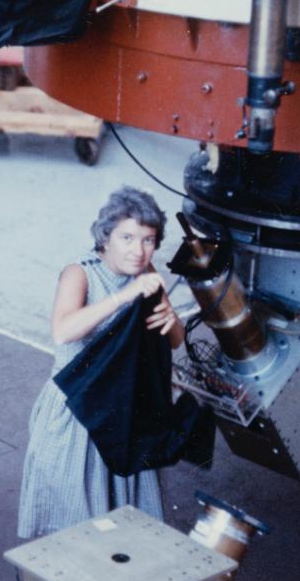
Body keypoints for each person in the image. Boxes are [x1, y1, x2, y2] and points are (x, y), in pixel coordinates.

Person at [17, 186, 184, 538]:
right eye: (127, 237)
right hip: (77, 417)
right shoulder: (80, 274)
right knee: (74, 527)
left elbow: (175, 340)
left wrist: (172, 320)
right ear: (105, 237)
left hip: (123, 415)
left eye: (148, 240)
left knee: (125, 527)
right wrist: (125, 297)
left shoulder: (146, 273)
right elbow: (63, 331)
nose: (138, 251)